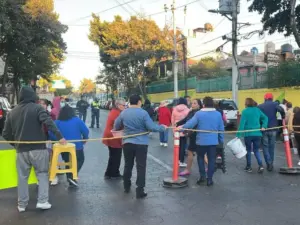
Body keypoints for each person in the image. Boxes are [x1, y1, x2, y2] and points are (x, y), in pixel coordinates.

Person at [2, 87, 66, 212]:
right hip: (38, 148)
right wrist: (60, 137)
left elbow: (5, 133)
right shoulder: (37, 108)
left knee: (22, 177)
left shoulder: (12, 111)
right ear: (32, 96)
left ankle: (22, 204)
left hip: (21, 150)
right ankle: (42, 201)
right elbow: (49, 122)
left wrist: (15, 144)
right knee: (42, 174)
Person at [114, 94, 167, 199]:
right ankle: (140, 190)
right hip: (141, 143)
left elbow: (116, 125)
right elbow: (151, 127)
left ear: (129, 101)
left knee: (128, 165)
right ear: (139, 102)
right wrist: (162, 128)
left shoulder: (124, 112)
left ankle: (126, 186)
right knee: (141, 167)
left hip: (127, 143)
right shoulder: (143, 113)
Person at [181, 96, 224, 186]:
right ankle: (210, 179)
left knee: (200, 158)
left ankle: (202, 177)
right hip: (213, 142)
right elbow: (221, 128)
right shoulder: (218, 114)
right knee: (211, 160)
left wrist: (181, 128)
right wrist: (221, 140)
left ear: (203, 104)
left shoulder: (199, 114)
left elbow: (190, 124)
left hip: (201, 142)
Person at [49, 105, 89, 187]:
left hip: (62, 147)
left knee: (67, 161)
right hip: (77, 146)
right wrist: (85, 139)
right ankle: (72, 176)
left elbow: (50, 133)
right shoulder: (77, 120)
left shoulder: (57, 122)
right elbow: (85, 131)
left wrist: (58, 140)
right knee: (80, 159)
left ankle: (70, 177)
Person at [237, 98, 268, 173]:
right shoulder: (257, 110)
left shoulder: (245, 111)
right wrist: (264, 126)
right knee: (256, 150)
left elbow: (242, 124)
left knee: (248, 150)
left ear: (246, 103)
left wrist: (238, 135)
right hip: (257, 133)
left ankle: (249, 167)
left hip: (248, 134)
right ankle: (260, 166)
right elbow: (265, 118)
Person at [258, 93, 285, 171]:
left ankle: (268, 163)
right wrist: (283, 116)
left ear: (265, 98)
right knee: (272, 147)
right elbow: (281, 110)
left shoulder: (260, 106)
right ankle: (271, 163)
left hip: (264, 129)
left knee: (265, 147)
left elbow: (259, 117)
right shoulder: (275, 104)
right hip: (273, 128)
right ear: (272, 98)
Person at [177, 99, 203, 176]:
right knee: (193, 152)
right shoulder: (191, 112)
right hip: (191, 135)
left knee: (194, 152)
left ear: (199, 105)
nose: (193, 104)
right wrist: (177, 124)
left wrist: (184, 129)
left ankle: (188, 169)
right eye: (192, 103)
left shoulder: (198, 113)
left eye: (195, 103)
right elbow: (185, 120)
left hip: (196, 135)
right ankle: (188, 169)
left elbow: (192, 123)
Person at [103, 98, 126, 179]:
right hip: (113, 136)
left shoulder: (115, 111)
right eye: (123, 105)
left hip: (111, 135)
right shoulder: (117, 113)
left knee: (112, 156)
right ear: (118, 105)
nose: (125, 106)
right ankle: (114, 173)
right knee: (116, 156)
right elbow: (118, 124)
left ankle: (109, 173)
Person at [39, 99, 59, 186]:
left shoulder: (51, 115)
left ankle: (54, 176)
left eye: (43, 104)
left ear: (47, 105)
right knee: (41, 159)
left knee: (52, 158)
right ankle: (41, 178)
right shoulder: (34, 114)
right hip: (39, 138)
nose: (42, 105)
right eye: (40, 103)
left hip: (49, 138)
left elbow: (54, 127)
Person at [171, 97, 190, 167]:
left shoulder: (174, 109)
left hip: (176, 129)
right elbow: (188, 121)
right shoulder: (187, 110)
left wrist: (173, 129)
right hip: (184, 130)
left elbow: (172, 120)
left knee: (176, 146)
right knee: (183, 146)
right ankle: (181, 161)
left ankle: (177, 160)